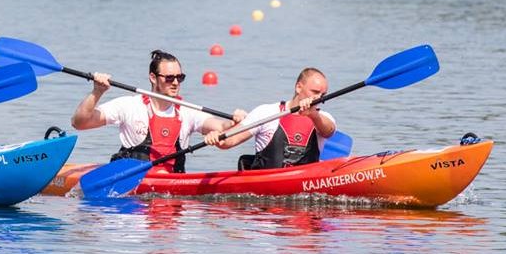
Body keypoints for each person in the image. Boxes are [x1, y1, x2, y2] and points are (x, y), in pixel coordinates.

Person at [71, 50, 246, 174]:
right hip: (134, 203)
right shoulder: (129, 106)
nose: (176, 82)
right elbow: (80, 123)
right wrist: (97, 92)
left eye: (180, 77)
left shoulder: (188, 112)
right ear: (153, 78)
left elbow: (220, 125)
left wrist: (234, 121)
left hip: (172, 196)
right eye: (169, 78)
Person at [205, 68, 336, 170]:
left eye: (322, 95)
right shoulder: (267, 112)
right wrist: (217, 139)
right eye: (315, 92)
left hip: (305, 183)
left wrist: (313, 114)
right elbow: (230, 141)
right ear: (298, 87)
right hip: (266, 191)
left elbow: (328, 131)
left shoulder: (322, 118)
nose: (319, 98)